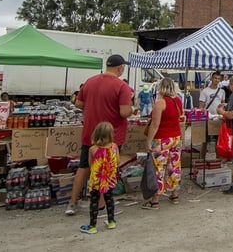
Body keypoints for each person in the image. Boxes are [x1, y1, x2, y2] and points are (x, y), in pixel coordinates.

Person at [66, 55, 133, 216]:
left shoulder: (90, 81)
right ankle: (101, 205)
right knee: (107, 169)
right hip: (111, 135)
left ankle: (72, 203)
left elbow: (79, 104)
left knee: (84, 167)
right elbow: (124, 112)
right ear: (120, 68)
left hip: (90, 133)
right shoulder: (121, 86)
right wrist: (131, 109)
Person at [142, 78, 185, 209]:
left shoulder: (160, 103)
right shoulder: (177, 101)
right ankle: (175, 193)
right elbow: (180, 120)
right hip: (176, 137)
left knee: (158, 168)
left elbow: (155, 125)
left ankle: (155, 199)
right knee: (174, 166)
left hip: (162, 139)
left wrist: (148, 140)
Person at [79, 122, 119, 234]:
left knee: (94, 201)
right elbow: (118, 161)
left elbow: (91, 164)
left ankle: (92, 226)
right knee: (109, 199)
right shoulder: (114, 147)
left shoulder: (93, 149)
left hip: (96, 179)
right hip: (110, 178)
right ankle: (111, 221)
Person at [198, 71, 226, 160]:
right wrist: (205, 113)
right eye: (215, 78)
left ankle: (218, 159)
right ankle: (202, 159)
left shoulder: (222, 91)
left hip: (218, 118)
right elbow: (201, 106)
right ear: (211, 79)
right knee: (204, 140)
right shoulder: (205, 91)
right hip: (207, 119)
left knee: (219, 140)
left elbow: (222, 104)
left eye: (218, 79)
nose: (216, 80)